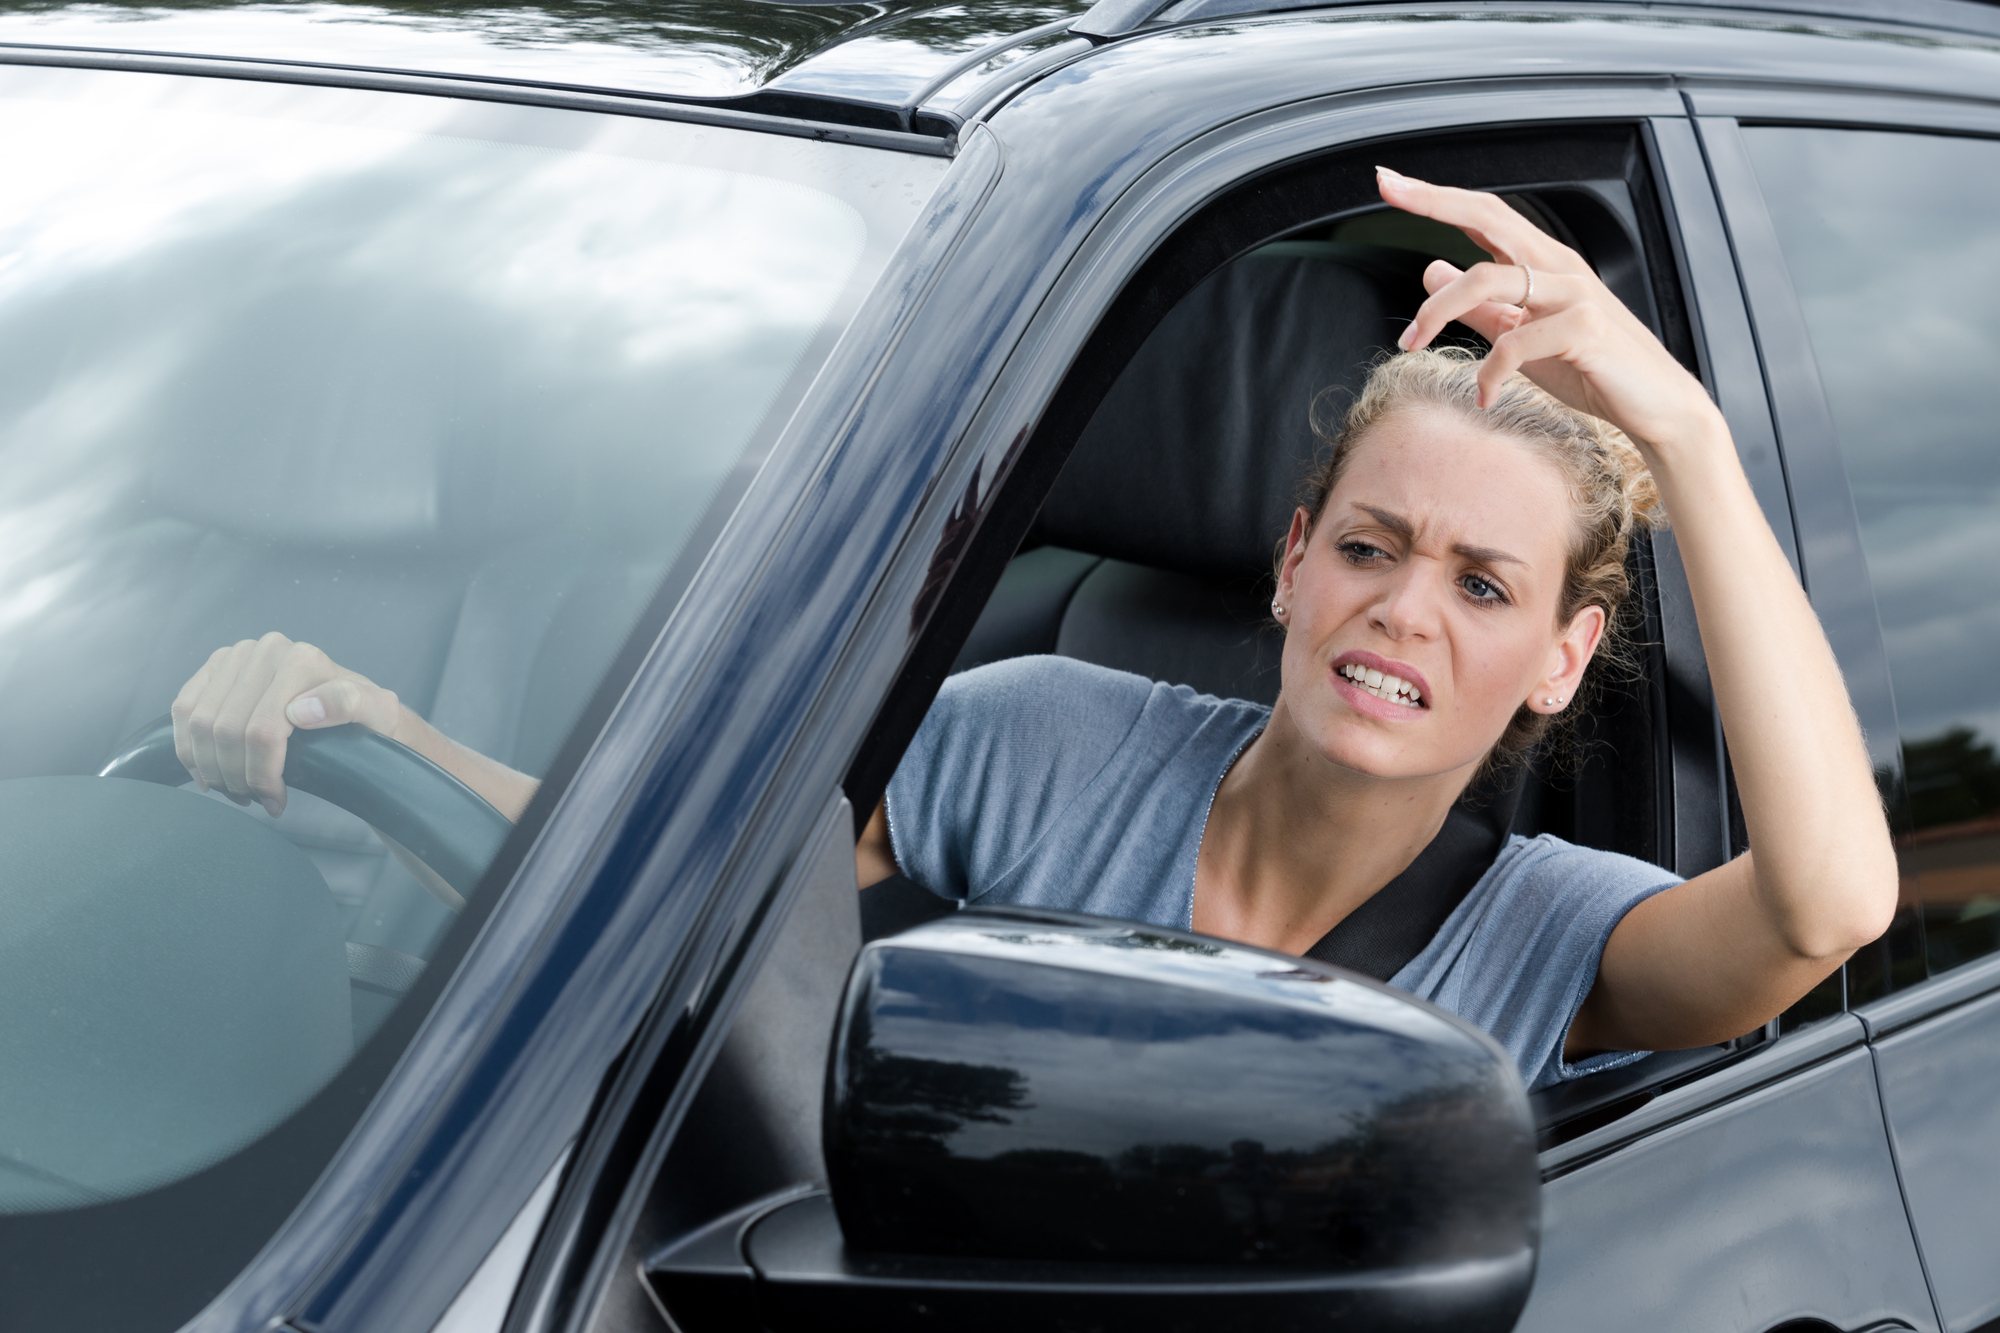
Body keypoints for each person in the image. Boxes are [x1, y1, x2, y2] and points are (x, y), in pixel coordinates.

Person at [169, 168, 1896, 1090]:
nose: (1403, 606)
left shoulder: (1540, 935)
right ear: (1290, 564)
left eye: (1485, 584)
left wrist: (1682, 437)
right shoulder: (1046, 727)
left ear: (1562, 662)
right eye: (1372, 544)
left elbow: (1828, 905)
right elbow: (689, 878)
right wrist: (368, 731)